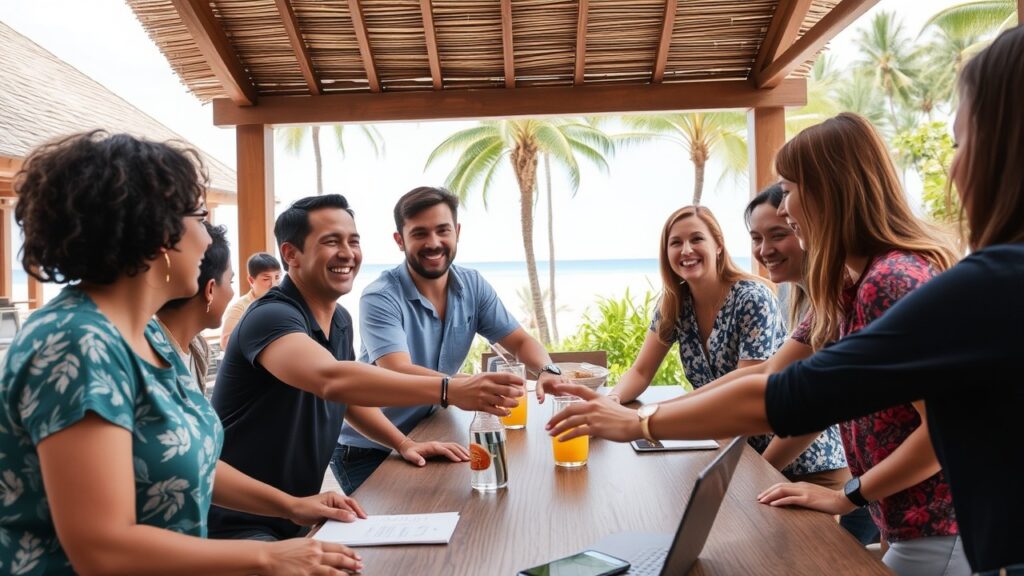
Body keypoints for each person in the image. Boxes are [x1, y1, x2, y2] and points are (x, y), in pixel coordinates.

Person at [546, 26, 1024, 573]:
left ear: (830, 192)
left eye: (791, 189)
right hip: (918, 529)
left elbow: (792, 397)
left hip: (944, 533)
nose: (784, 208)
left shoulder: (897, 279)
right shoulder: (847, 289)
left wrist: (641, 423)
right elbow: (775, 380)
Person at [0, 131, 363, 574]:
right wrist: (269, 555)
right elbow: (101, 548)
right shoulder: (74, 344)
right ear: (156, 234)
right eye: (199, 217)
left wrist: (291, 505)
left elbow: (192, 460)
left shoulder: (150, 337)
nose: (209, 239)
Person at [210, 193, 524, 541]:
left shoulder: (338, 320)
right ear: (290, 254)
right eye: (331, 241)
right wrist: (450, 389)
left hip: (295, 517)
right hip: (237, 523)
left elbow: (345, 397)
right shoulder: (271, 317)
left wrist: (403, 443)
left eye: (353, 241)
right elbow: (331, 380)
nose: (347, 253)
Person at [333, 186, 570, 494]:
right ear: (399, 241)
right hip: (371, 446)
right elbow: (396, 371)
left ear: (456, 232)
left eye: (442, 230)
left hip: (430, 429)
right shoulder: (380, 296)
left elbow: (521, 342)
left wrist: (547, 369)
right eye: (419, 234)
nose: (433, 243)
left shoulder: (471, 285)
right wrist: (458, 388)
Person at [602, 205, 792, 459]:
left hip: (789, 457)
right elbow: (641, 371)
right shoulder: (674, 303)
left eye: (697, 239)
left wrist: (648, 417)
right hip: (729, 450)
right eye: (676, 243)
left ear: (719, 245)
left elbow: (745, 392)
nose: (686, 250)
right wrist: (612, 400)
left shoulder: (752, 299)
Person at [156, 222, 233, 395]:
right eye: (231, 281)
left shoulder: (199, 348)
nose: (232, 291)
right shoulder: (148, 352)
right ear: (210, 289)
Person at [220, 252, 281, 349]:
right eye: (266, 279)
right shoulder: (239, 308)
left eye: (277, 277)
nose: (274, 284)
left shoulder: (283, 303)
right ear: (251, 280)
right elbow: (226, 342)